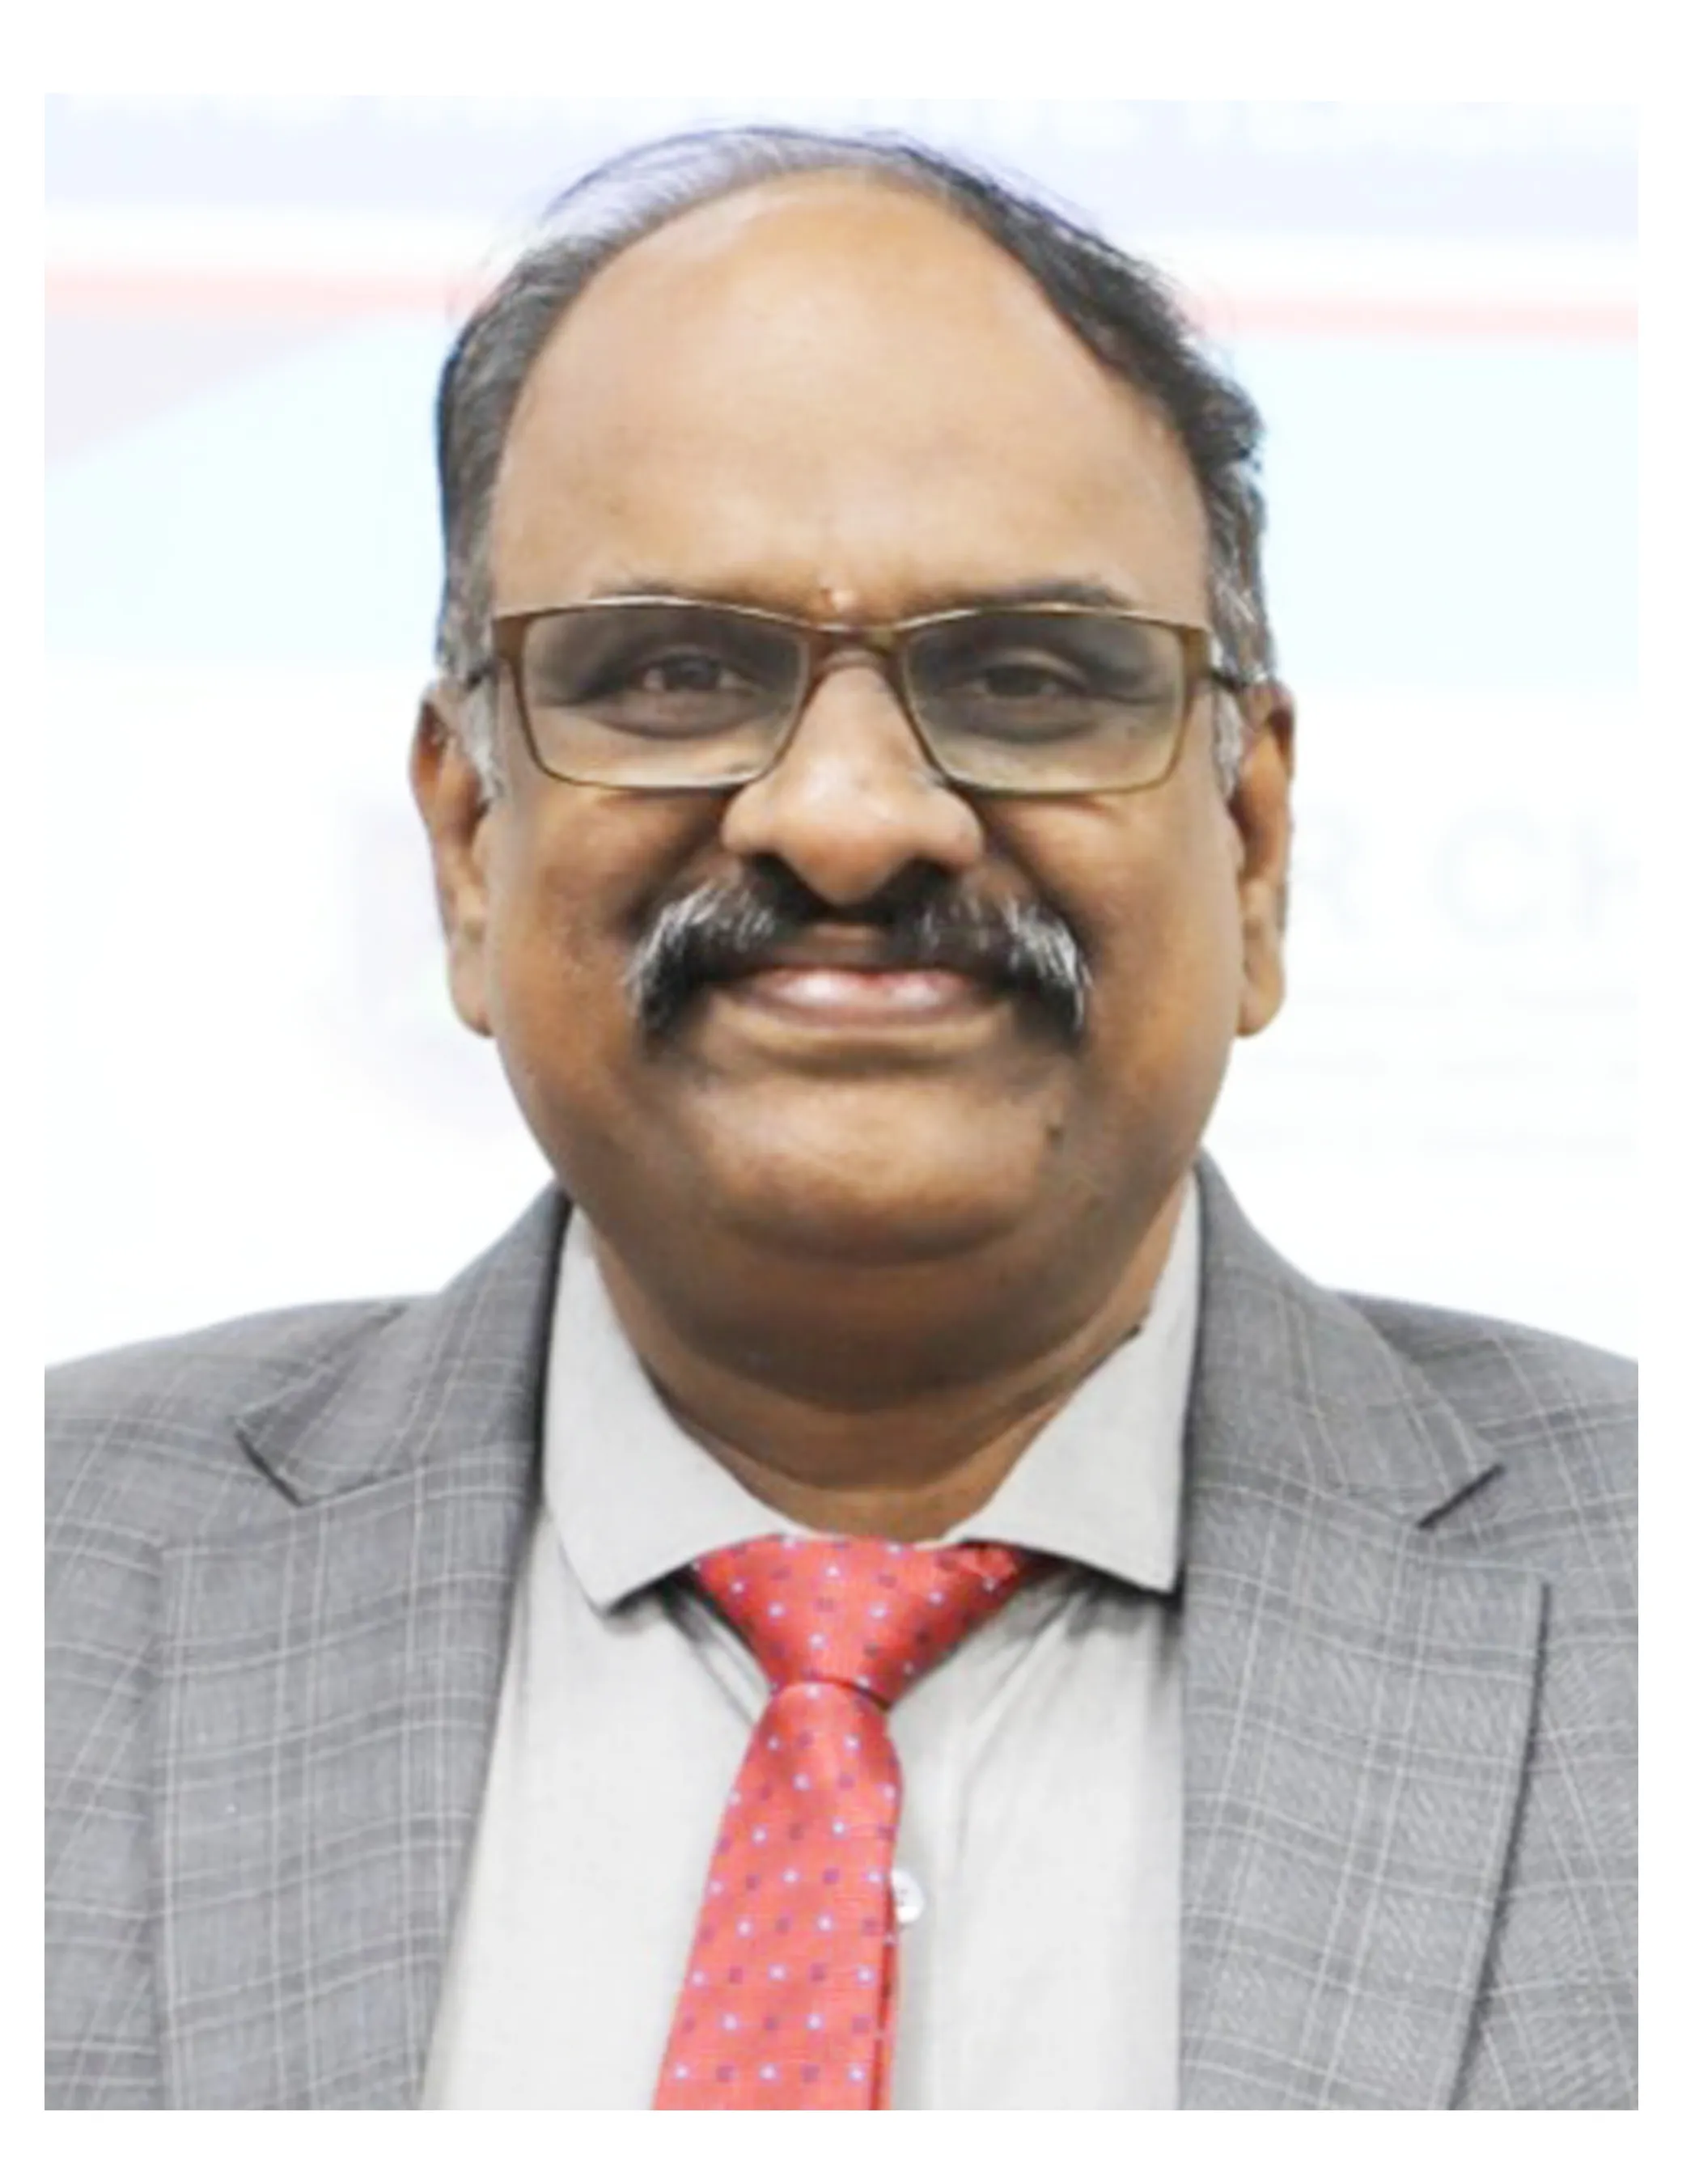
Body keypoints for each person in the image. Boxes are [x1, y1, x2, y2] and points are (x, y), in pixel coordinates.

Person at [45, 127, 1635, 2111]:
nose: (853, 818)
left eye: (1028, 678)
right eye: (674, 672)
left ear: (1249, 851)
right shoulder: (58, 1570)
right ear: (465, 849)